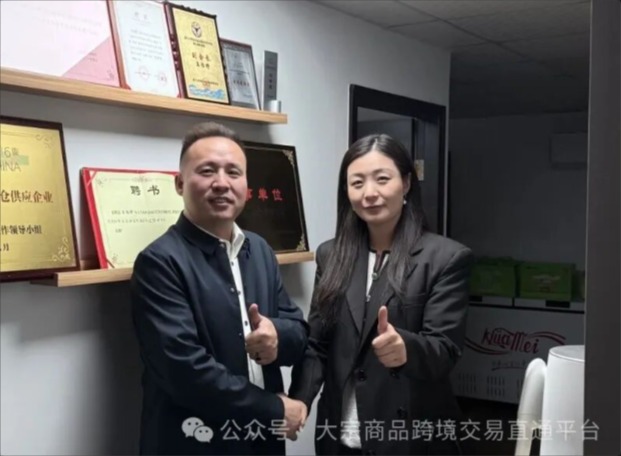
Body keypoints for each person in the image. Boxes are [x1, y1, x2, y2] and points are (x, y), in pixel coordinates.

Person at [289, 134, 474, 455]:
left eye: (382, 179)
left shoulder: (445, 258)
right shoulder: (331, 255)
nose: (369, 193)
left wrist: (406, 348)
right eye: (357, 183)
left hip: (409, 439)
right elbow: (317, 344)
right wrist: (299, 400)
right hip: (340, 437)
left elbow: (445, 350)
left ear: (406, 183)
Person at [130, 122, 309, 455]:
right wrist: (274, 409)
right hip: (194, 443)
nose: (222, 183)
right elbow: (184, 371)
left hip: (262, 441)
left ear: (246, 185)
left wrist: (276, 337)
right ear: (180, 183)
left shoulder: (260, 250)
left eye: (233, 172)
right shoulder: (159, 262)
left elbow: (298, 331)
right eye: (207, 171)